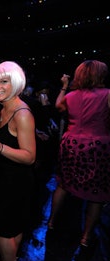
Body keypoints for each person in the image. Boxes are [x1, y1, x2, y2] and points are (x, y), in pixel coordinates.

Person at [48, 60, 110, 248]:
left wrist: (64, 87)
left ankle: (51, 222)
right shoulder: (107, 94)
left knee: (63, 184)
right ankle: (86, 237)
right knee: (96, 192)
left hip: (71, 144)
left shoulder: (71, 95)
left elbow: (58, 106)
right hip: (97, 146)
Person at [0, 61, 36, 261]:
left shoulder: (21, 114)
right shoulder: (5, 108)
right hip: (4, 178)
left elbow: (30, 156)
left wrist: (0, 148)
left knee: (3, 233)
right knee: (12, 229)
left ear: (16, 83)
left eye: (4, 82)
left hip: (16, 182)